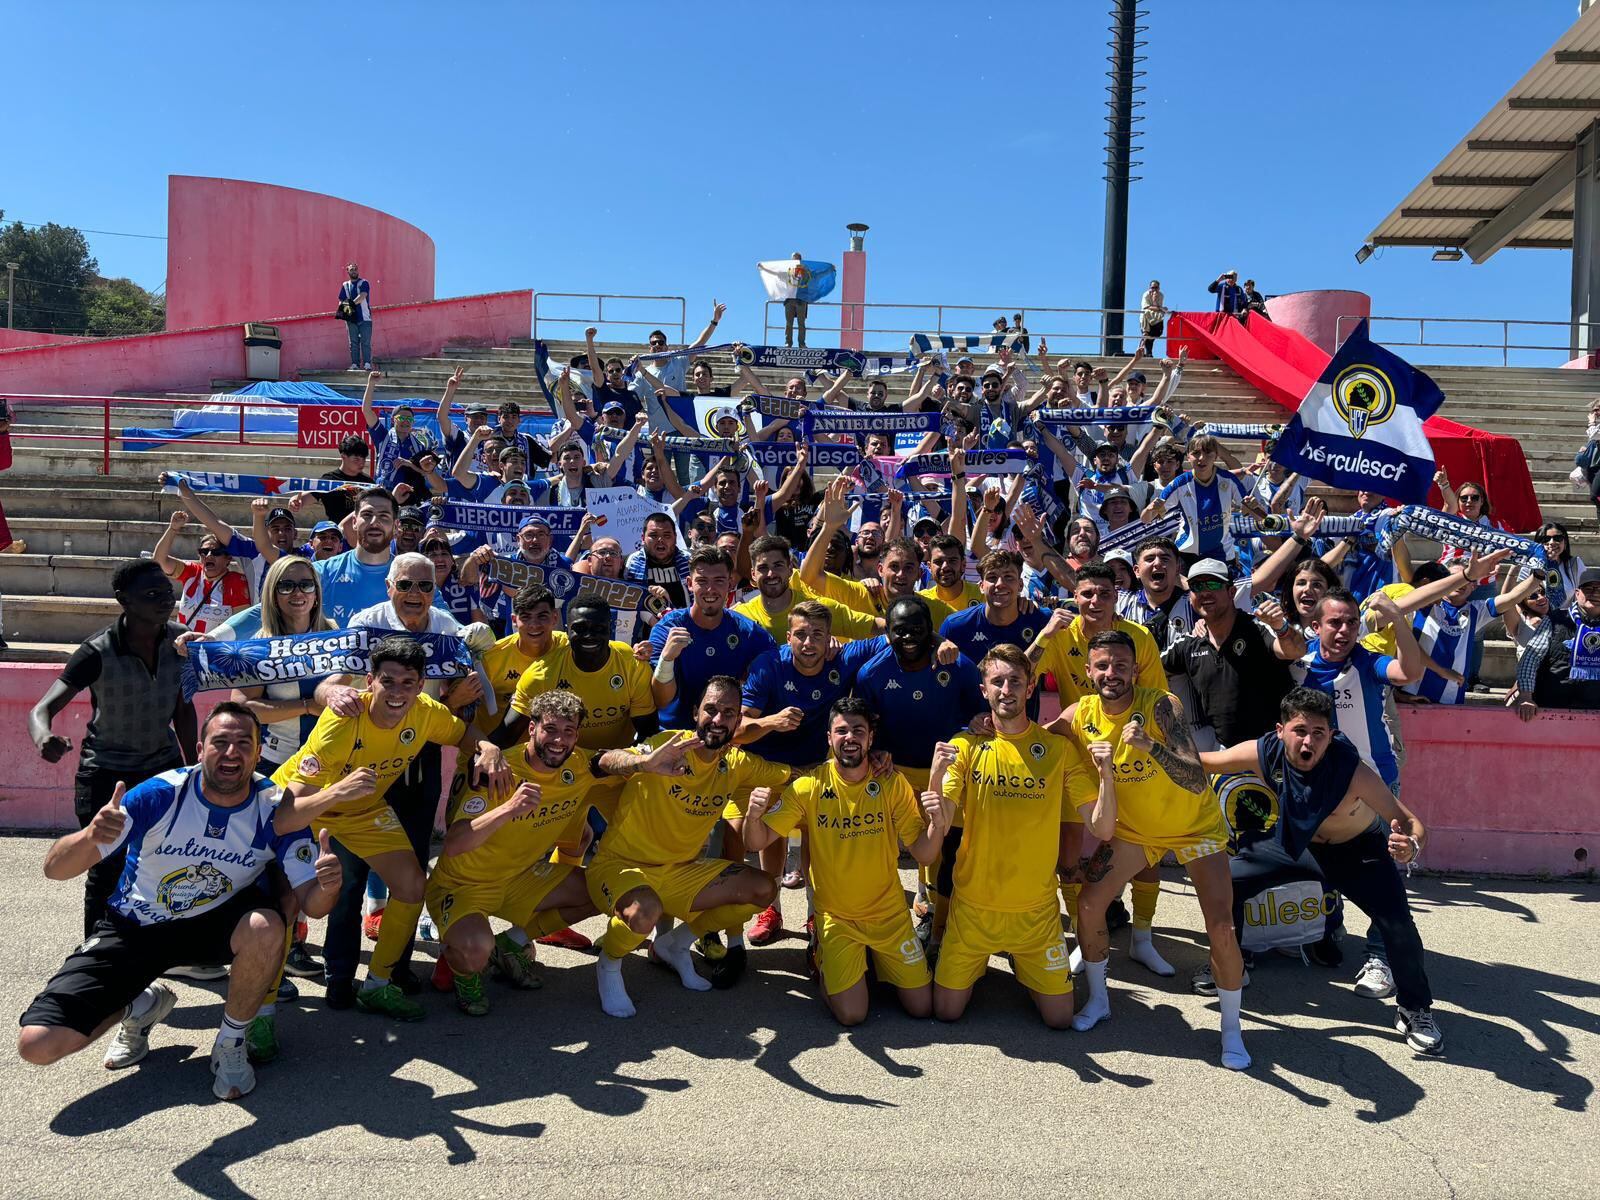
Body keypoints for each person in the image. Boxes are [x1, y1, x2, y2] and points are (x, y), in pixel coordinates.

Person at [17, 703, 344, 1100]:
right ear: (199, 747)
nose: (232, 752)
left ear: (259, 753)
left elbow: (314, 904)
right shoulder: (160, 794)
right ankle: (140, 1005)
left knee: (267, 926)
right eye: (220, 742)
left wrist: (327, 885)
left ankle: (230, 1043)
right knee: (37, 1045)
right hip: (135, 925)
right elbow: (55, 869)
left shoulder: (276, 808)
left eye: (244, 743)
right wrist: (89, 838)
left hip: (214, 925)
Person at [272, 637, 508, 1020]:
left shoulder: (425, 712)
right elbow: (285, 816)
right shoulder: (341, 724)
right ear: (370, 681)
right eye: (388, 681)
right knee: (292, 900)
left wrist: (487, 746)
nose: (397, 692)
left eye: (408, 683)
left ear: (420, 686)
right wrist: (338, 792)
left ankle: (378, 986)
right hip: (309, 812)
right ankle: (265, 1001)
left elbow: (462, 733)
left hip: (364, 811)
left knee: (413, 885)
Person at [1201, 688, 1443, 1053]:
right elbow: (1203, 761)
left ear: (1331, 735)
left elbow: (1408, 821)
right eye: (1300, 730)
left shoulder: (1353, 771)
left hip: (1358, 851)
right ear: (1280, 730)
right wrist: (1150, 746)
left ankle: (1415, 1008)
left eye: (1318, 732)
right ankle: (1233, 962)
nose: (1308, 741)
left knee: (1398, 926)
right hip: (1298, 845)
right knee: (1226, 883)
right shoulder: (1264, 751)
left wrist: (1411, 847)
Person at [1054, 631, 1248, 1070]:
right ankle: (1099, 1001)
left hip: (1194, 828)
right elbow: (1034, 741)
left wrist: (1152, 746)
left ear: (1135, 669)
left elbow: (1197, 778)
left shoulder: (1162, 705)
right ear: (1088, 671)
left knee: (1220, 929)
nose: (1111, 674)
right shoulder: (1079, 713)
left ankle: (1232, 1030)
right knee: (1088, 905)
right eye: (1102, 666)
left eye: (1120, 665)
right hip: (1136, 832)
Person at [931, 646, 1114, 1027]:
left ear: (1030, 688)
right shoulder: (966, 745)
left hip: (1035, 912)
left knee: (1060, 1019)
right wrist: (936, 780)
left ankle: (1024, 962)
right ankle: (984, 961)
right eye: (997, 681)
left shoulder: (1057, 749)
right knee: (946, 1012)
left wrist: (1107, 775)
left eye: (1015, 681)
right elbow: (943, 820)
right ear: (984, 690)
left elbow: (1102, 827)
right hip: (974, 908)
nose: (1006, 689)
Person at [586, 681, 792, 1015]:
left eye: (728, 713)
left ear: (738, 723)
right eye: (711, 709)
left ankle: (674, 944)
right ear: (696, 712)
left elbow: (790, 776)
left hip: (681, 872)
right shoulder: (668, 746)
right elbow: (603, 760)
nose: (718, 719)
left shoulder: (737, 762)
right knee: (643, 912)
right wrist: (645, 763)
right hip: (620, 868)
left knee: (762, 887)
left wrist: (854, 769)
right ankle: (609, 965)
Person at [742, 697, 947, 1025]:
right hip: (838, 919)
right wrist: (754, 816)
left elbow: (924, 853)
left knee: (922, 1008)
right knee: (852, 1015)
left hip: (890, 916)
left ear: (870, 738)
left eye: (858, 730)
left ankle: (872, 960)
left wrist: (937, 823)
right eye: (841, 731)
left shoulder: (892, 783)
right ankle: (821, 952)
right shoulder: (808, 786)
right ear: (829, 738)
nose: (849, 737)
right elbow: (756, 841)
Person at [29, 559, 196, 937]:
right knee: (105, 865)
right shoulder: (97, 650)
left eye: (167, 592)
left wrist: (192, 768)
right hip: (106, 773)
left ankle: (154, 952)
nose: (163, 600)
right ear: (124, 600)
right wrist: (44, 737)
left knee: (158, 861)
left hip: (162, 769)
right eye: (151, 594)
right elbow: (42, 708)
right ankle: (97, 954)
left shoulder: (181, 641)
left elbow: (183, 711)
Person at [427, 691, 604, 1016]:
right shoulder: (496, 768)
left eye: (568, 731)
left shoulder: (576, 762)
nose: (559, 740)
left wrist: (648, 760)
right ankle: (466, 974)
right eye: (550, 729)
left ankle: (510, 945)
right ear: (532, 727)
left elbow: (612, 763)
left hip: (519, 878)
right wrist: (509, 808)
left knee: (601, 889)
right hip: (463, 885)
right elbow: (454, 843)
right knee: (476, 947)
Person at [1160, 558, 1305, 750]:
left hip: (1273, 750)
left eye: (1213, 583)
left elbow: (1295, 650)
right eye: (1196, 586)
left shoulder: (1257, 628)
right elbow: (1148, 667)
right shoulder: (1189, 644)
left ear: (1231, 592)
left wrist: (1281, 627)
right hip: (1225, 753)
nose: (1204, 592)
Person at [648, 547, 778, 730]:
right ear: (690, 583)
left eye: (719, 581)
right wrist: (667, 659)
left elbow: (781, 663)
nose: (710, 589)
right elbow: (661, 700)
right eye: (702, 581)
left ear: (730, 583)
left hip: (723, 736)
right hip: (673, 735)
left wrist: (828, 647)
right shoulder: (667, 629)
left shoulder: (747, 631)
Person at [1141, 434, 1252, 565]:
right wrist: (1150, 509)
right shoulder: (1179, 483)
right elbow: (1146, 519)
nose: (1201, 458)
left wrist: (1253, 506)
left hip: (1222, 553)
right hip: (1187, 553)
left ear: (1216, 456)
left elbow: (1256, 516)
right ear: (1188, 456)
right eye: (1196, 453)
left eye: (1208, 453)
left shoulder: (1229, 479)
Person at [1514, 565, 1600, 714]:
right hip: (1552, 706)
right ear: (1577, 593)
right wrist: (1526, 696)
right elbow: (1531, 658)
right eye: (1589, 589)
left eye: (1599, 589)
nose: (1595, 594)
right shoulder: (1554, 619)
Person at [150, 512, 250, 632]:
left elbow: (241, 624)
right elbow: (159, 561)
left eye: (216, 552)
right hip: (183, 646)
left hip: (215, 648)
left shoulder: (236, 582)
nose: (209, 556)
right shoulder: (192, 572)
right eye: (204, 551)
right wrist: (173, 529)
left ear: (228, 558)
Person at [313, 486, 397, 625]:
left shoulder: (413, 578)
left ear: (396, 526)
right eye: (367, 515)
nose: (374, 522)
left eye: (384, 516)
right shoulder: (321, 573)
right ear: (354, 522)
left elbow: (444, 622)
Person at [314, 435, 375, 525]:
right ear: (343, 456)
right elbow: (309, 496)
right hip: (337, 533)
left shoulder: (368, 483)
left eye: (364, 459)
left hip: (361, 531)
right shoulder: (329, 479)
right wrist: (297, 501)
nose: (361, 463)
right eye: (356, 459)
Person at [339, 263, 373, 370]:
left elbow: (363, 296)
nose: (354, 271)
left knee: (365, 342)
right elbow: (341, 300)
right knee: (353, 342)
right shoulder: (345, 285)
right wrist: (343, 311)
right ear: (347, 271)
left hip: (365, 317)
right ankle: (355, 364)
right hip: (351, 318)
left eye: (355, 269)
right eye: (351, 270)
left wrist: (351, 305)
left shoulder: (364, 283)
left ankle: (367, 363)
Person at [1139, 281, 1166, 355]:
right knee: (1147, 336)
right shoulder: (1146, 294)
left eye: (1156, 288)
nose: (1154, 289)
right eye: (1152, 288)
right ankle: (1147, 353)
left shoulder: (1161, 295)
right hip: (1147, 318)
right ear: (1149, 288)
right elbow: (1147, 307)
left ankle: (1148, 352)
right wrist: (1160, 308)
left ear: (1159, 288)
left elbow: (1157, 307)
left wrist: (1154, 300)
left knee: (1153, 336)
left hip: (1156, 318)